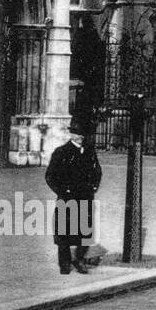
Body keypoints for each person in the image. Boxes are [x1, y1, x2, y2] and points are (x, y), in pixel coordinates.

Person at [45, 117, 103, 275]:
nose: (80, 136)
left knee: (85, 231)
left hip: (85, 197)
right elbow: (50, 176)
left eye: (82, 133)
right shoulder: (61, 152)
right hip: (67, 198)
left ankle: (79, 260)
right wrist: (63, 191)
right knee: (63, 232)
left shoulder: (90, 151)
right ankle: (64, 263)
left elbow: (97, 171)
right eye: (76, 133)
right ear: (70, 133)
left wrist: (93, 187)